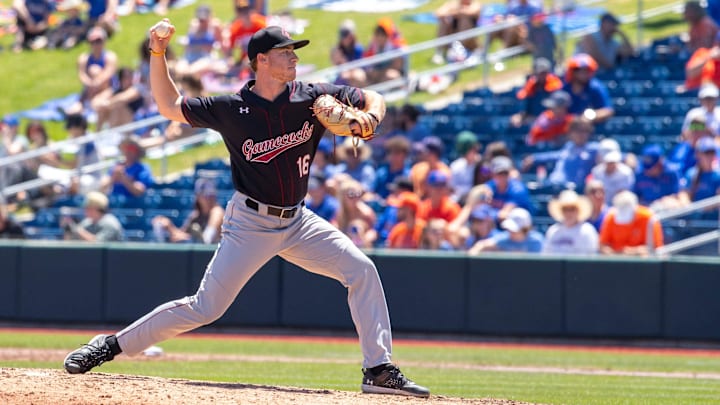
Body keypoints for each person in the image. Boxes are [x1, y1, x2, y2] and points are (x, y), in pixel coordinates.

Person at [63, 23, 429, 398]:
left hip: (299, 221)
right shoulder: (232, 109)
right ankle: (110, 345)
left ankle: (379, 369)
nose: (295, 57)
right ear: (262, 60)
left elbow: (370, 97)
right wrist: (158, 53)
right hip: (251, 222)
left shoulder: (313, 98)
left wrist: (371, 117)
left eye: (294, 51)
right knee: (205, 307)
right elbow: (168, 106)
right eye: (287, 52)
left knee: (361, 270)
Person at [152, 178, 225, 244]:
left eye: (211, 195)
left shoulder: (217, 212)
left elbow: (207, 239)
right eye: (205, 195)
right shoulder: (196, 215)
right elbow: (181, 234)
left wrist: (185, 238)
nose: (209, 198)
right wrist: (170, 227)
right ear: (198, 196)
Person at [66, 27, 119, 117]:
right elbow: (81, 75)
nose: (96, 45)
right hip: (89, 90)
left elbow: (108, 73)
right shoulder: (84, 58)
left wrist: (97, 82)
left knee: (95, 71)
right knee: (73, 111)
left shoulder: (110, 57)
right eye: (93, 42)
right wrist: (90, 83)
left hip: (107, 89)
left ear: (104, 41)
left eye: (98, 41)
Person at [599, 190, 663, 255]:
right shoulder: (611, 217)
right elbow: (603, 245)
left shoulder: (649, 219)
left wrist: (634, 251)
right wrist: (614, 255)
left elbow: (656, 248)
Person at [174, 4, 228, 79]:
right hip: (189, 56)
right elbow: (188, 42)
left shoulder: (214, 26)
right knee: (178, 70)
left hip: (206, 57)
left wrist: (227, 59)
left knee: (190, 72)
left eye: (204, 19)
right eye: (200, 19)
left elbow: (223, 43)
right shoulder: (193, 25)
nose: (202, 22)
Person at [91, 66, 148, 132]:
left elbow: (123, 98)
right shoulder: (116, 90)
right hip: (121, 120)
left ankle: (114, 133)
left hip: (138, 119)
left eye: (130, 77)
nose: (130, 79)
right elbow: (95, 102)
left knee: (118, 107)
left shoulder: (137, 88)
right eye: (126, 77)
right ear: (121, 79)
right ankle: (98, 134)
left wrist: (107, 104)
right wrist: (103, 105)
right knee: (103, 111)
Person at [510, 57, 563, 128]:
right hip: (533, 119)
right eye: (540, 73)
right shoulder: (530, 87)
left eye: (545, 73)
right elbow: (525, 109)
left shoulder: (555, 87)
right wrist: (519, 116)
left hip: (551, 120)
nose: (542, 75)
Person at [562, 53, 614, 124]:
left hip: (589, 128)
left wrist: (589, 116)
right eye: (578, 70)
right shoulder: (565, 88)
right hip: (567, 127)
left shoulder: (595, 87)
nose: (583, 73)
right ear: (572, 72)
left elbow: (607, 111)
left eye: (586, 70)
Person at [542, 189, 599, 255]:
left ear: (578, 210)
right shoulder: (553, 231)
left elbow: (591, 257)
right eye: (565, 209)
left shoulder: (587, 231)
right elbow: (546, 255)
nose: (568, 213)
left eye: (572, 209)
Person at [468, 207, 543, 254]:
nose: (511, 232)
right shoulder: (504, 238)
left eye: (514, 230)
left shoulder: (537, 241)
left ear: (525, 229)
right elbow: (482, 244)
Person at [431, 0, 482, 65]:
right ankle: (439, 53)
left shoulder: (475, 4)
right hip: (453, 34)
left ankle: (459, 50)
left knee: (464, 20)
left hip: (470, 38)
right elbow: (438, 13)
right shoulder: (454, 4)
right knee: (444, 21)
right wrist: (452, 13)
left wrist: (454, 12)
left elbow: (471, 12)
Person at [677, 136, 720, 208]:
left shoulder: (718, 174)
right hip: (694, 214)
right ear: (698, 154)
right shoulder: (691, 173)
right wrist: (687, 205)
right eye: (706, 153)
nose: (710, 156)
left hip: (713, 216)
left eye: (712, 152)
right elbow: (684, 194)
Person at [633, 144, 681, 208]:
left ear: (659, 163)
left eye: (651, 167)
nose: (647, 170)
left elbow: (679, 194)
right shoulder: (639, 173)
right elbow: (636, 196)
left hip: (668, 210)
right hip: (646, 210)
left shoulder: (672, 172)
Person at [364, 18, 407, 85]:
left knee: (390, 75)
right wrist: (372, 72)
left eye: (383, 34)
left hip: (396, 76)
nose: (379, 37)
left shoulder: (397, 45)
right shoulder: (373, 45)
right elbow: (366, 63)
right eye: (378, 33)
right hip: (376, 76)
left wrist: (379, 73)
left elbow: (397, 66)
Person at [330, 19, 367, 88]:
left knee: (357, 76)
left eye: (346, 34)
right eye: (343, 34)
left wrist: (343, 61)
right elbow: (338, 70)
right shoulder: (337, 50)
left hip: (354, 78)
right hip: (339, 80)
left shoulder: (358, 49)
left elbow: (360, 69)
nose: (345, 38)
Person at [449, 130, 481, 203]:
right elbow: (451, 188)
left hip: (478, 200)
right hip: (459, 200)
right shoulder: (456, 166)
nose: (475, 151)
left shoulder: (482, 165)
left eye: (475, 149)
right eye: (472, 149)